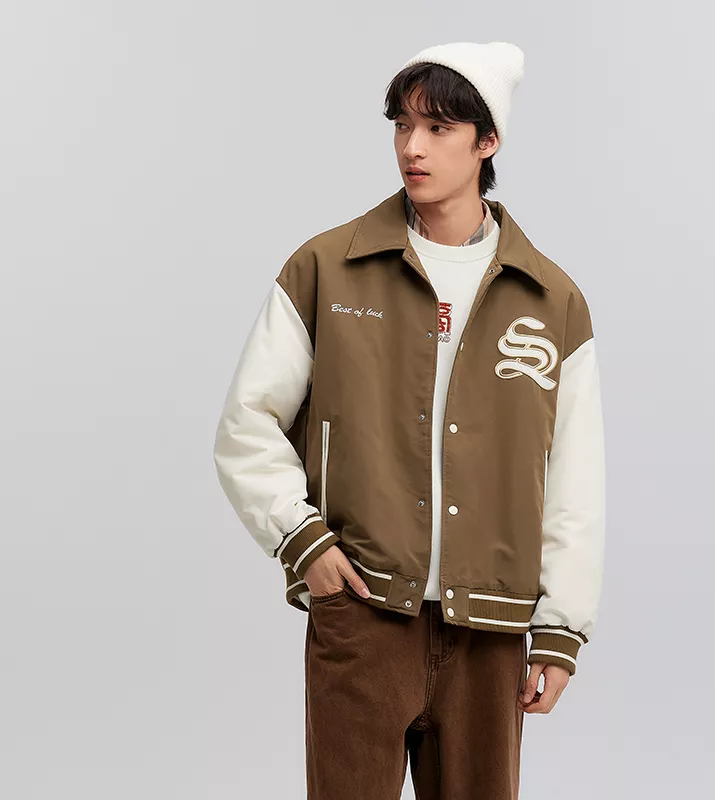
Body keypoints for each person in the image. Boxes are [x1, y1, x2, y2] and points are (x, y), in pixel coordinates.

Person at [213, 40, 606, 800]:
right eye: (402, 125)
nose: (411, 148)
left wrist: (562, 626)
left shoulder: (551, 301)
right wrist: (304, 542)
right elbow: (247, 424)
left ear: (488, 142)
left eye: (437, 129)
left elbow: (573, 478)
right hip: (362, 612)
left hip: (490, 630)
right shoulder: (326, 268)